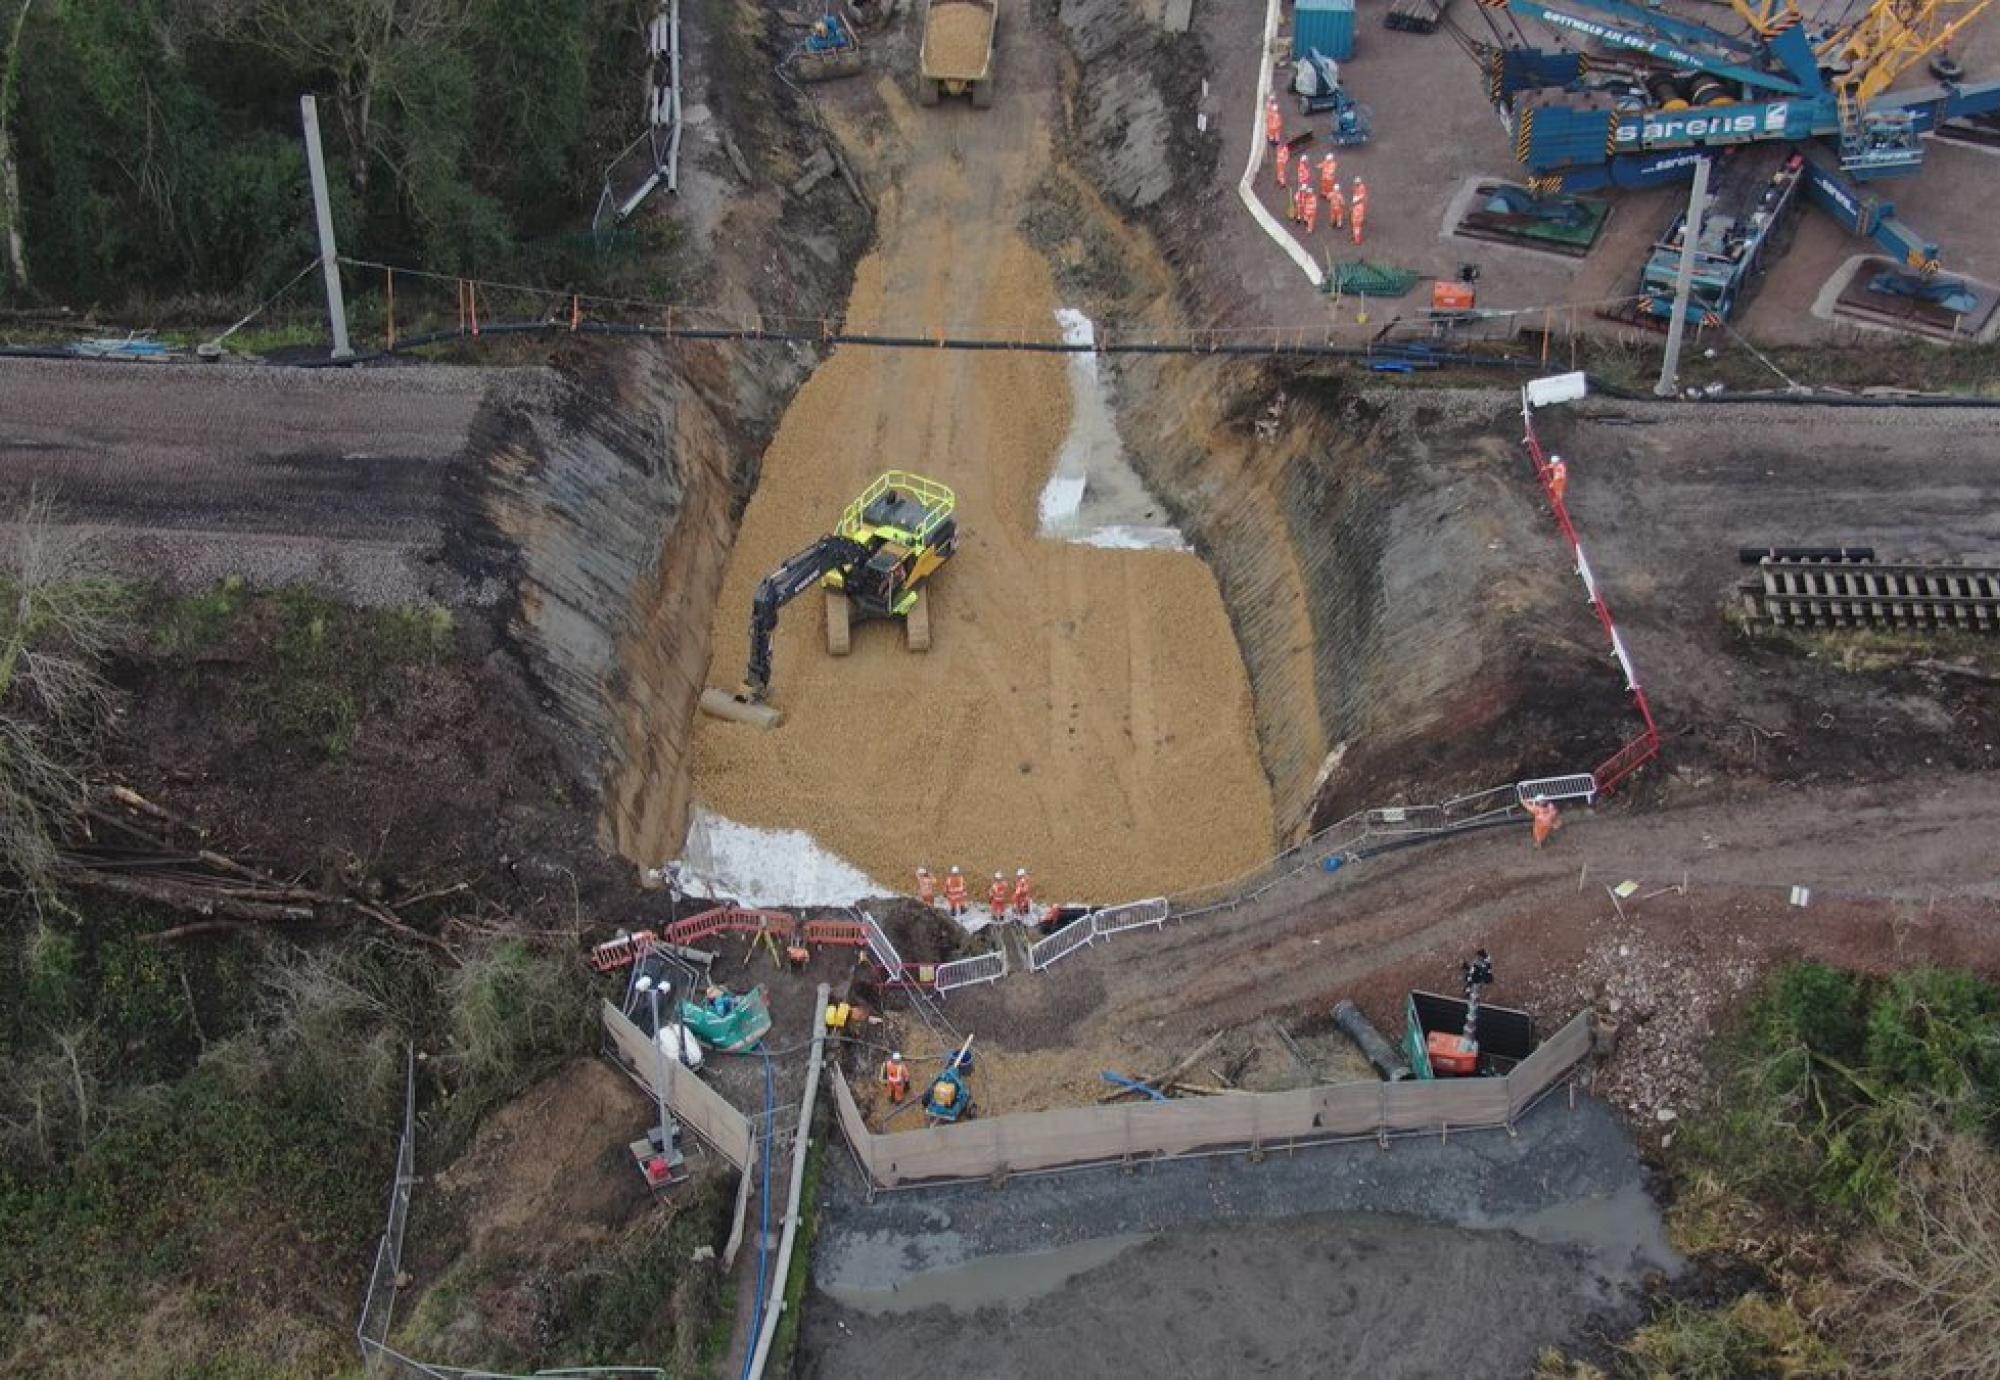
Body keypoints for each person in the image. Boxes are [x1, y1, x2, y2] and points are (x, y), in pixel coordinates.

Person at [1350, 177, 1368, 246]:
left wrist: (1353, 206)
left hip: (1357, 215)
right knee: (1354, 225)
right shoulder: (1357, 187)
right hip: (1357, 210)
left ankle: (1357, 240)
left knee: (1356, 227)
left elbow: (1361, 197)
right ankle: (1354, 236)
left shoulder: (1361, 189)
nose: (1355, 184)